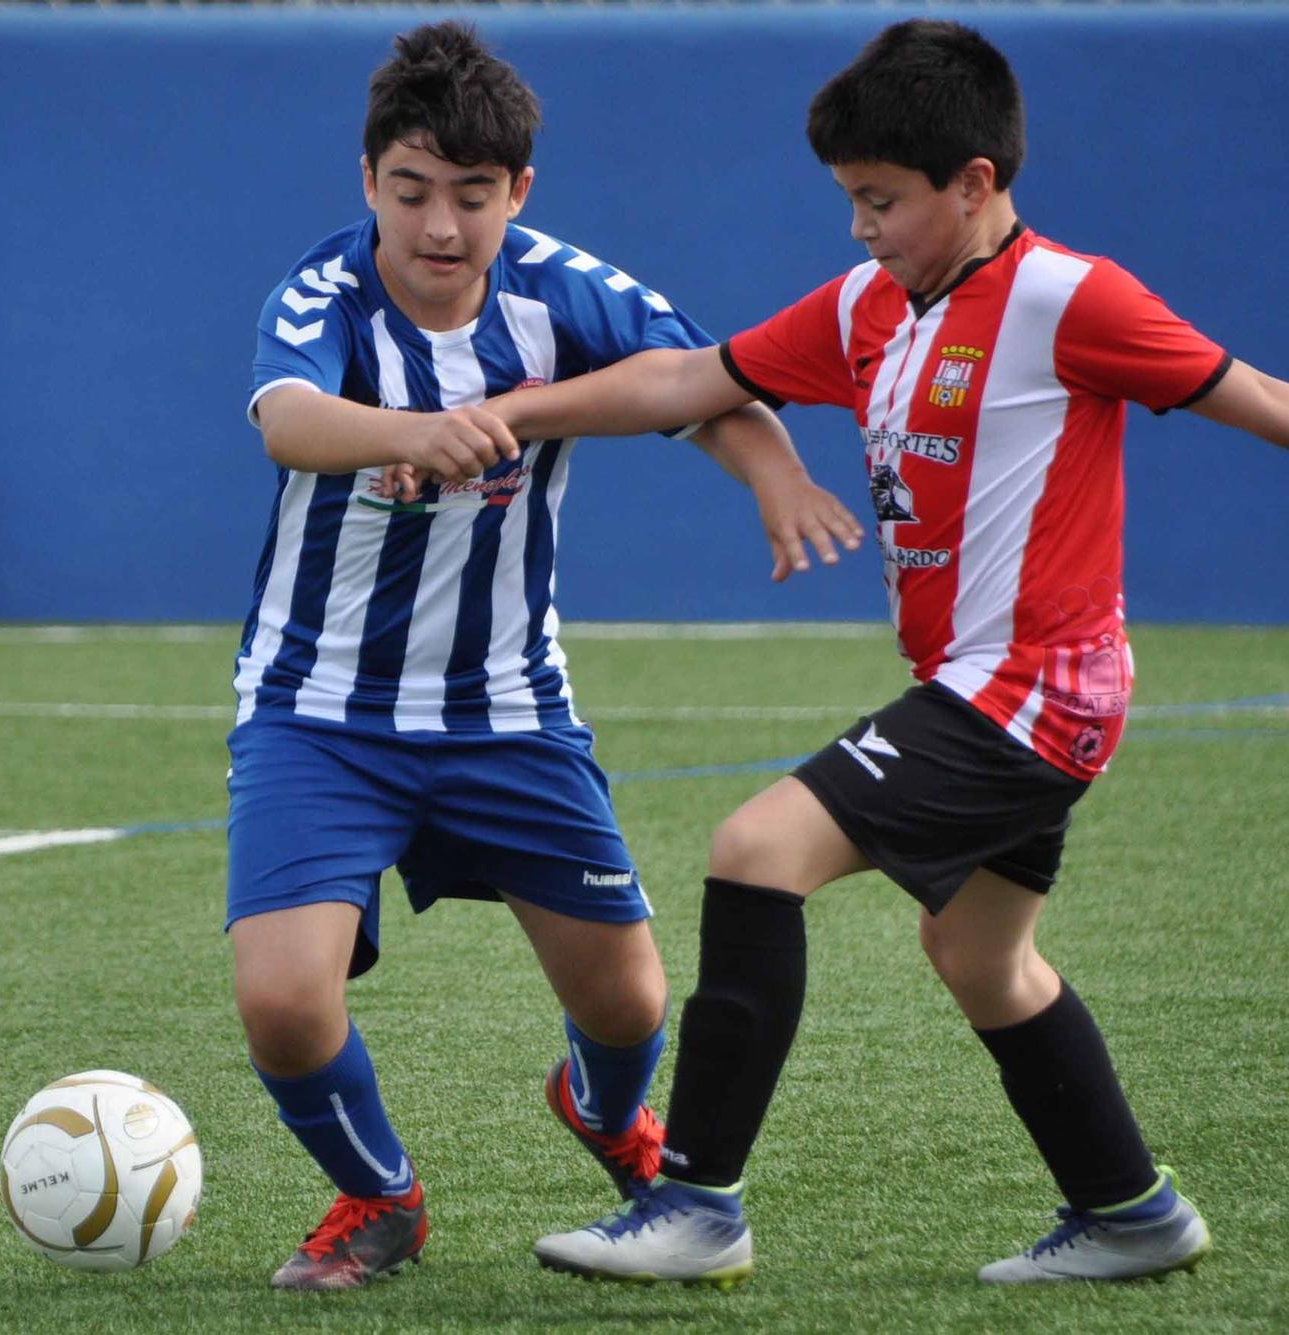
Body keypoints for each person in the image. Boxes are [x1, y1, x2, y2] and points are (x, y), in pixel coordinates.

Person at [499, 19, 1289, 1287]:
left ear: (975, 184)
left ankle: (696, 1207)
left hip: (1032, 687)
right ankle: (1131, 1213)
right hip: (980, 686)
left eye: (880, 201)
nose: (859, 227)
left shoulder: (1072, 299)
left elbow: (1264, 400)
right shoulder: (866, 307)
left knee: (754, 852)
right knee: (980, 957)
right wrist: (497, 417)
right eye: (847, 199)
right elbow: (684, 382)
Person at [227, 21, 861, 1293]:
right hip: (318, 711)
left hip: (508, 710)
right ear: (367, 184)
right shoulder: (322, 294)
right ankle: (377, 1198)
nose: (439, 226)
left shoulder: (566, 291)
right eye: (410, 192)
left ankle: (599, 1107)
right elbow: (288, 425)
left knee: (629, 1007)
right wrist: (410, 429)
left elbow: (696, 380)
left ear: (518, 191)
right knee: (285, 1004)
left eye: (471, 196)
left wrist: (773, 473)